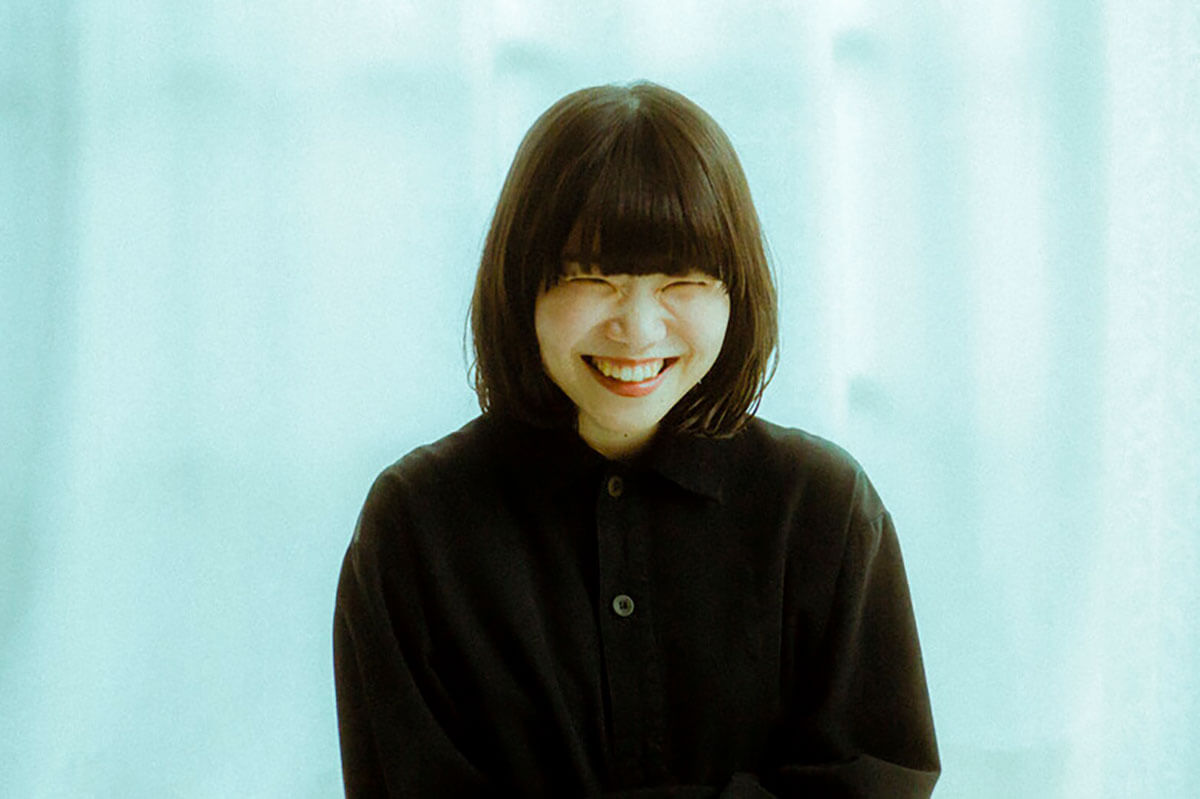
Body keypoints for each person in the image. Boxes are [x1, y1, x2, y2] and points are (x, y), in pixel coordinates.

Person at [333, 81, 939, 798]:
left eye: (682, 280)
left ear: (735, 292)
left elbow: (877, 778)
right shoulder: (416, 523)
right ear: (523, 287)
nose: (640, 330)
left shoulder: (823, 508)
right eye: (593, 278)